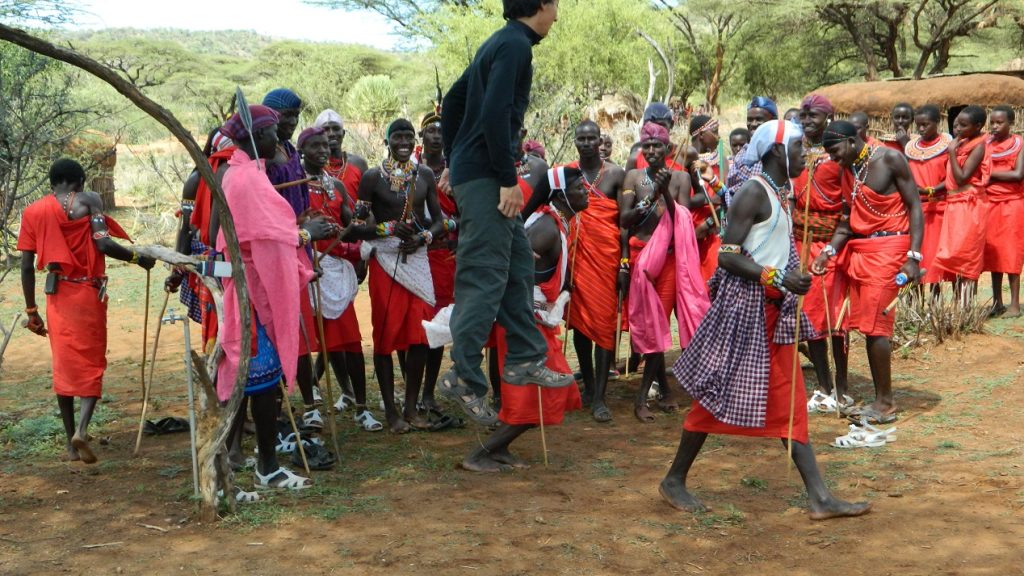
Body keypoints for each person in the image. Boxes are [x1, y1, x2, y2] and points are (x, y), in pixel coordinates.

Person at [664, 120, 871, 521]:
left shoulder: (780, 191)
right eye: (797, 147)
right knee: (717, 395)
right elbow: (726, 255)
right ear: (777, 151)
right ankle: (674, 478)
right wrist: (776, 277)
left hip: (773, 313)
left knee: (788, 404)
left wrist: (790, 278)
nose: (804, 154)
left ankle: (819, 497)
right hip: (746, 310)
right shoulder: (753, 192)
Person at [440, 0, 571, 427]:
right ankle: (463, 374)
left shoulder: (499, 42)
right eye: (556, 5)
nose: (557, 15)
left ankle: (524, 358)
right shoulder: (515, 46)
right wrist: (506, 177)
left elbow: (453, 102)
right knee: (486, 272)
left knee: (517, 263)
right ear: (542, 4)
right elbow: (496, 113)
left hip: (476, 170)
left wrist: (453, 158)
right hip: (487, 177)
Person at [215, 104, 336, 490]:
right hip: (254, 293)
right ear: (257, 136)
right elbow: (265, 239)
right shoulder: (245, 179)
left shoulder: (245, 172)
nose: (278, 140)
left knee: (254, 380)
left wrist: (299, 248)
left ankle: (246, 458)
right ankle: (266, 466)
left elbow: (266, 230)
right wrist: (306, 235)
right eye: (272, 133)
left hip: (253, 289)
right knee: (262, 384)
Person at [19, 158, 156, 464]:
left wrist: (31, 311)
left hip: (57, 297)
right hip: (88, 293)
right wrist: (138, 258)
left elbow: (27, 266)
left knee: (64, 366)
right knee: (92, 362)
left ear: (52, 182)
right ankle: (81, 429)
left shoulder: (33, 212)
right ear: (80, 181)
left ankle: (71, 445)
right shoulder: (89, 200)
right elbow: (104, 245)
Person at [461, 167, 586, 472]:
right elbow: (508, 266)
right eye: (580, 188)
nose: (587, 192)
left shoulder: (556, 223)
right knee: (545, 391)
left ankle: (500, 448)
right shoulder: (545, 228)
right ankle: (478, 455)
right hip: (526, 322)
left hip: (530, 319)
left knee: (536, 393)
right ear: (561, 195)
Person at [813, 120, 924, 425]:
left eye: (835, 151)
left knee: (877, 328)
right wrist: (828, 252)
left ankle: (885, 403)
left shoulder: (890, 158)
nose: (833, 158)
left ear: (852, 141)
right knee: (869, 328)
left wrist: (914, 257)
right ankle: (880, 398)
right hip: (861, 252)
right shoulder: (849, 169)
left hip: (890, 250)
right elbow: (847, 220)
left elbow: (915, 206)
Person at [349, 119, 447, 433]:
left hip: (416, 258)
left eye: (408, 137)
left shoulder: (424, 175)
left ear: (414, 140)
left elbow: (439, 222)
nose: (403, 142)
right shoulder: (372, 178)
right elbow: (355, 228)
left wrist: (422, 238)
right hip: (386, 262)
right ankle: (391, 412)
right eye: (397, 137)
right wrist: (387, 229)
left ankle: (411, 408)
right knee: (385, 337)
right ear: (387, 141)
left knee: (420, 336)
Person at [621, 122, 709, 423]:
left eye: (656, 145)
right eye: (646, 145)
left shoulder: (681, 177)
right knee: (648, 324)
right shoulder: (633, 177)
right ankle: (663, 390)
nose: (651, 150)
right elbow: (625, 219)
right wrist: (650, 197)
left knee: (659, 325)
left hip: (669, 259)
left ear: (668, 148)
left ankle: (642, 397)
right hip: (640, 257)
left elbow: (681, 218)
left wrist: (665, 193)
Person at [297, 127, 382, 432]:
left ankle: (361, 408)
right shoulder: (292, 184)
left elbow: (352, 226)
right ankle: (310, 408)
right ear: (301, 150)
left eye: (325, 145)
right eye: (315, 146)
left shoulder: (336, 186)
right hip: (305, 270)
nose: (323, 150)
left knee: (350, 341)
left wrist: (371, 224)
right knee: (304, 344)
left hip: (333, 270)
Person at [263, 87, 322, 431]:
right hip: (276, 251)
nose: (292, 122)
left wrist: (309, 239)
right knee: (278, 329)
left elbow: (300, 202)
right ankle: (276, 408)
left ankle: (308, 403)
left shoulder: (289, 150)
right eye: (287, 116)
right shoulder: (264, 157)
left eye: (296, 116)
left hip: (299, 246)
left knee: (299, 330)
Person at [562, 120, 626, 422]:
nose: (587, 143)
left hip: (606, 259)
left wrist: (625, 263)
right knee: (580, 323)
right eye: (581, 138)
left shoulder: (615, 174)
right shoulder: (566, 173)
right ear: (575, 141)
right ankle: (588, 386)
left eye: (592, 138)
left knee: (603, 325)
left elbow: (624, 224)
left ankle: (600, 397)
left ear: (600, 141)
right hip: (576, 258)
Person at [794, 94, 850, 412]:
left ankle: (841, 387)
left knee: (836, 318)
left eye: (813, 115)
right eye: (803, 115)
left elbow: (848, 205)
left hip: (830, 246)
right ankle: (823, 385)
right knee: (810, 318)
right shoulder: (795, 152)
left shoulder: (839, 156)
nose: (807, 121)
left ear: (828, 117)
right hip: (799, 244)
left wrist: (829, 250)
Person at [313, 108, 369, 414]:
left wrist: (363, 252)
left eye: (336, 129)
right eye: (325, 130)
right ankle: (343, 389)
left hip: (351, 254)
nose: (331, 135)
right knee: (329, 327)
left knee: (343, 325)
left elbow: (363, 213)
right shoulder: (305, 174)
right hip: (318, 259)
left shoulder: (357, 165)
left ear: (344, 133)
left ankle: (348, 393)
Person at [932, 106, 991, 290]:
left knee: (968, 254)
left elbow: (961, 178)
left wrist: (951, 151)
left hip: (969, 205)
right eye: (957, 125)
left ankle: (967, 303)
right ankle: (960, 302)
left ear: (978, 126)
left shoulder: (978, 146)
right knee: (955, 253)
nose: (958, 129)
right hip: (955, 205)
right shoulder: (963, 143)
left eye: (964, 126)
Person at [984, 106, 1024, 317]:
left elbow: (1017, 174)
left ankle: (1014, 304)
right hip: (989, 204)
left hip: (1012, 204)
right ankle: (997, 302)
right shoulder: (986, 145)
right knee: (993, 252)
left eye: (1000, 122)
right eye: (992, 122)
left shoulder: (1020, 144)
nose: (995, 126)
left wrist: (990, 175)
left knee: (1011, 252)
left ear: (1011, 123)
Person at [905, 104, 952, 285]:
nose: (921, 129)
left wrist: (929, 190)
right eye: (918, 125)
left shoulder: (948, 146)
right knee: (914, 256)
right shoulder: (911, 148)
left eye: (926, 124)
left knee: (933, 259)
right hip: (915, 210)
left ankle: (935, 298)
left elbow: (951, 178)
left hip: (938, 209)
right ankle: (916, 299)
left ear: (937, 122)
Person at [689, 114, 726, 280]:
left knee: (710, 276)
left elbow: (726, 197)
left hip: (713, 227)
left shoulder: (721, 160)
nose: (718, 137)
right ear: (702, 134)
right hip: (689, 226)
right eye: (715, 132)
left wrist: (708, 223)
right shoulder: (684, 159)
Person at [726, 97, 778, 206]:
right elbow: (730, 192)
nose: (753, 124)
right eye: (749, 119)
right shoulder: (742, 154)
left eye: (759, 119)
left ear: (773, 121)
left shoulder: (780, 151)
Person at [626, 102, 679, 171]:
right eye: (650, 126)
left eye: (661, 125)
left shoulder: (684, 154)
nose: (655, 130)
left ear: (671, 124)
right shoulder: (635, 158)